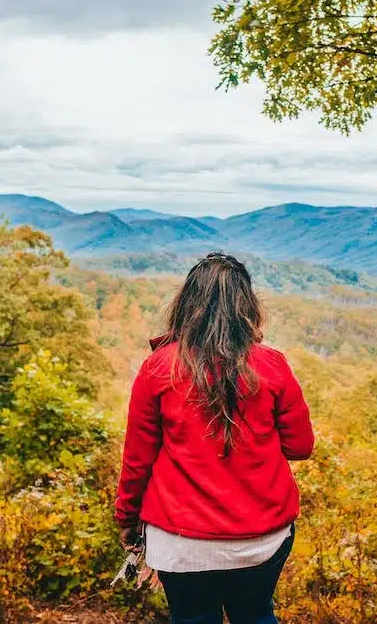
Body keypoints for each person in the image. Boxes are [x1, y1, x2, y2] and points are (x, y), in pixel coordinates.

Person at [115, 252, 315, 624]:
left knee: (191, 618)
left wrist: (127, 517)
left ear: (187, 303)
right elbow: (301, 446)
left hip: (181, 540)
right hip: (261, 538)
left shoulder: (159, 368)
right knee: (255, 614)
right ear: (247, 306)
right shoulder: (271, 365)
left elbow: (137, 459)